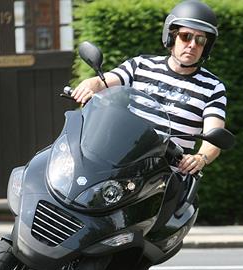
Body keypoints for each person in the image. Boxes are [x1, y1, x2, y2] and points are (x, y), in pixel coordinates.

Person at [72, 0, 226, 175]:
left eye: (200, 40)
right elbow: (102, 82)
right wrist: (89, 85)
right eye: (186, 36)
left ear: (206, 46)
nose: (192, 44)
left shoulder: (213, 87)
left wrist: (201, 158)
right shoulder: (140, 65)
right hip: (122, 162)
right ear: (171, 36)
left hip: (167, 175)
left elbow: (214, 137)